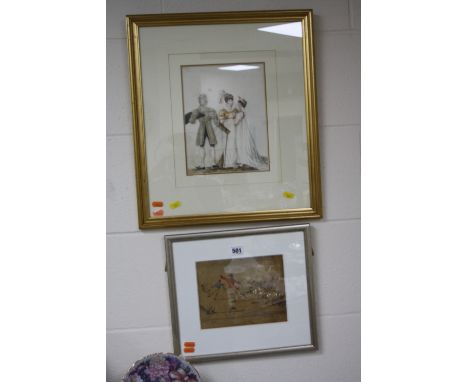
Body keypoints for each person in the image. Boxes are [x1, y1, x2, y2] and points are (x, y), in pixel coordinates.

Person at [218, 92, 268, 169]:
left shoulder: (235, 110)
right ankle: (229, 163)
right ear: (227, 101)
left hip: (233, 130)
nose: (232, 102)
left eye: (232, 100)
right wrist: (226, 130)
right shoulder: (223, 111)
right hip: (228, 130)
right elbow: (221, 122)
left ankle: (233, 161)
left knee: (233, 146)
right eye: (230, 100)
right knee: (229, 146)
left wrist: (241, 109)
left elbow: (237, 117)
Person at [185, 94, 228, 170]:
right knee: (201, 146)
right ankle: (201, 164)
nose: (203, 100)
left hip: (209, 129)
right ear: (199, 101)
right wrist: (193, 116)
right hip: (201, 129)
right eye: (201, 99)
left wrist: (225, 130)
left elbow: (216, 122)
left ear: (206, 100)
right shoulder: (197, 110)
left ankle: (213, 163)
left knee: (212, 145)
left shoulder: (211, 110)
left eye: (204, 99)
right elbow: (191, 121)